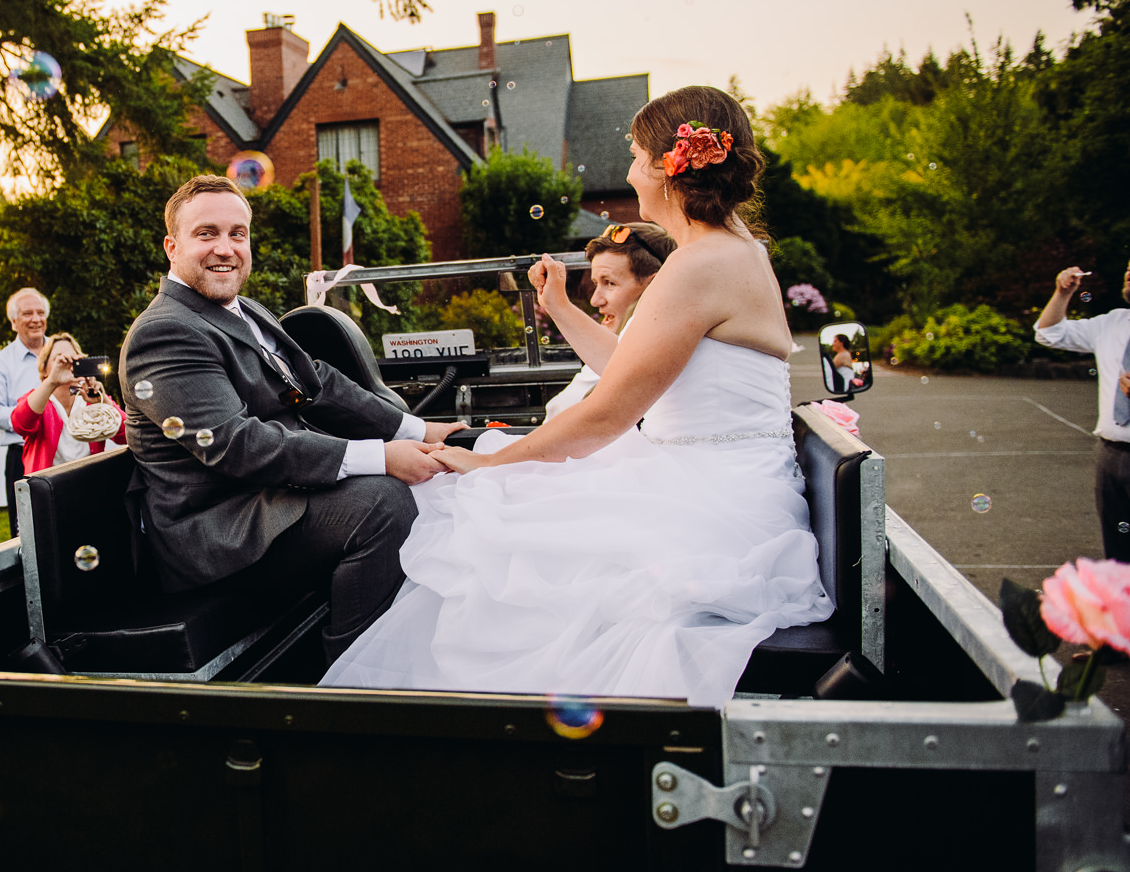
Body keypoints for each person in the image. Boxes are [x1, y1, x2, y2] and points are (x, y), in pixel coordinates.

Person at [322, 87, 834, 706]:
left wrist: (490, 462)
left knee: (483, 521)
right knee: (496, 512)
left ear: (670, 168)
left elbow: (607, 415)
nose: (627, 173)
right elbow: (634, 369)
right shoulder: (734, 251)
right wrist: (559, 307)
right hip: (724, 482)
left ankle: (416, 719)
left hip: (714, 503)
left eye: (638, 156)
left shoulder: (697, 265)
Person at [119, 174, 464, 662]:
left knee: (436, 488)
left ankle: (421, 643)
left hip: (268, 498)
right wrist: (382, 457)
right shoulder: (165, 332)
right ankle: (355, 680)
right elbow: (235, 443)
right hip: (216, 529)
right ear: (172, 247)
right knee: (380, 504)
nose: (226, 248)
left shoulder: (244, 310)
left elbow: (314, 382)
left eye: (238, 233)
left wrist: (417, 430)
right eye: (207, 233)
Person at [1035, 260, 1130, 560]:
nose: (1128, 272)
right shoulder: (1112, 323)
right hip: (1111, 456)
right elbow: (1050, 334)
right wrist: (1062, 293)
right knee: (1118, 558)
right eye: (1128, 267)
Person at [538, 222, 675, 420]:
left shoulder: (661, 354)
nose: (595, 300)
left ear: (653, 285)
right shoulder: (606, 349)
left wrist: (557, 305)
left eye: (609, 283)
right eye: (595, 283)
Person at [0, 288, 52, 536]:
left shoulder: (61, 353)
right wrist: (27, 417)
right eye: (27, 313)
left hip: (62, 452)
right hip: (22, 457)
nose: (35, 319)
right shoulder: (2, 362)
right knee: (27, 532)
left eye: (40, 313)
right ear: (13, 322)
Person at [11, 331, 127, 474]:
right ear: (45, 369)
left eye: (72, 359)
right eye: (59, 359)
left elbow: (127, 435)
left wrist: (103, 402)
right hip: (48, 489)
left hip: (88, 484)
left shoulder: (91, 399)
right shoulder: (38, 400)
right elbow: (20, 425)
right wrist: (52, 381)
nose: (67, 364)